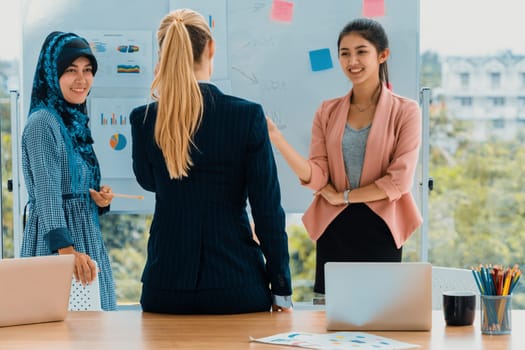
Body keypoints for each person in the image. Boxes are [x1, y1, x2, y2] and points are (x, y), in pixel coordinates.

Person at [130, 8, 292, 314]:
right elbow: (267, 209)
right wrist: (281, 289)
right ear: (211, 47)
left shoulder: (144, 119)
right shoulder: (247, 116)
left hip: (165, 289)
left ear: (164, 56)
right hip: (238, 286)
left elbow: (149, 181)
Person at [267, 18, 423, 294]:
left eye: (361, 51)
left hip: (382, 226)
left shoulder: (406, 111)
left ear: (382, 55)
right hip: (335, 227)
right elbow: (318, 177)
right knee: (329, 320)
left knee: (381, 319)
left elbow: (399, 182)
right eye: (345, 53)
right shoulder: (327, 112)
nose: (353, 61)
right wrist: (278, 140)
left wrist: (345, 196)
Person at [20, 31, 117, 311]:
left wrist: (99, 199)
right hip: (59, 243)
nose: (82, 80)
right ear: (52, 74)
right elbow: (48, 192)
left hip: (85, 237)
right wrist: (66, 253)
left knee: (95, 330)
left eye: (88, 70)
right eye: (71, 70)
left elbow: (73, 184)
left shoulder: (74, 122)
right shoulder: (42, 123)